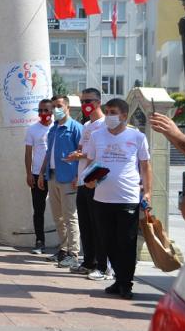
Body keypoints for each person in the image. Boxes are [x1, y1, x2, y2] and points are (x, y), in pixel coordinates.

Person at [84, 98, 151, 300]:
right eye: (107, 111)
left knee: (127, 243)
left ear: (124, 115)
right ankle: (118, 280)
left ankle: (126, 283)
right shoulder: (96, 136)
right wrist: (88, 179)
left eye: (112, 112)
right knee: (107, 242)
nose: (109, 116)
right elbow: (90, 162)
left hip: (128, 198)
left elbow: (145, 166)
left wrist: (147, 192)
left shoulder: (137, 137)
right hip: (102, 198)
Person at [63, 88, 109, 280]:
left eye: (88, 101)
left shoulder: (105, 125)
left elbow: (99, 155)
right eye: (82, 102)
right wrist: (77, 165)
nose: (84, 105)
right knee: (85, 224)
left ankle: (102, 265)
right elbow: (82, 149)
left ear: (98, 102)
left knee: (98, 225)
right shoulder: (87, 125)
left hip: (96, 182)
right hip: (83, 180)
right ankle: (88, 261)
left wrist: (80, 155)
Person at [38, 95, 82, 268]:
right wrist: (42, 173)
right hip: (53, 176)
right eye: (53, 106)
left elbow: (83, 154)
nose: (55, 109)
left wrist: (78, 176)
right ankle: (63, 249)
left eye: (59, 105)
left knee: (70, 216)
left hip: (69, 178)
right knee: (58, 216)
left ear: (67, 107)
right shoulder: (53, 129)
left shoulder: (76, 128)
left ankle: (74, 252)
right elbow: (48, 153)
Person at [25, 99, 52, 254]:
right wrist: (29, 173)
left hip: (54, 173)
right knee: (38, 209)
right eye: (40, 111)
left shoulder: (57, 127)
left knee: (60, 211)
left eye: (46, 110)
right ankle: (39, 241)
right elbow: (28, 153)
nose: (43, 114)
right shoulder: (32, 129)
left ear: (52, 111)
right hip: (36, 174)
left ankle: (64, 245)